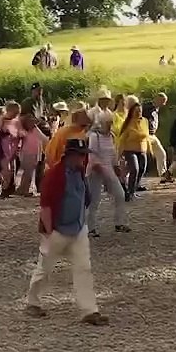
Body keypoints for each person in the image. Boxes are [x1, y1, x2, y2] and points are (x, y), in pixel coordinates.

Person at [25, 138, 107, 326]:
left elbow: (85, 198)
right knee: (45, 268)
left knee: (83, 269)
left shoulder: (80, 172)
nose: (83, 158)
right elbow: (46, 205)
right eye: (80, 155)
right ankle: (33, 302)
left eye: (84, 155)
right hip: (57, 230)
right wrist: (48, 231)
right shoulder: (55, 175)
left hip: (78, 228)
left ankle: (89, 310)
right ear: (70, 155)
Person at [86, 109, 130, 237]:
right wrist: (101, 169)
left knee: (120, 194)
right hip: (95, 170)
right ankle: (90, 228)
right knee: (94, 199)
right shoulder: (94, 136)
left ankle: (119, 223)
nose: (110, 125)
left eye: (111, 122)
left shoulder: (111, 136)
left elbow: (113, 153)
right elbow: (92, 155)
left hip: (109, 169)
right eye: (108, 122)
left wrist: (116, 166)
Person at [116, 97, 150, 202]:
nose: (139, 113)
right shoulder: (128, 123)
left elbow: (147, 136)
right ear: (132, 112)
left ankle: (133, 190)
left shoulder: (145, 121)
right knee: (135, 169)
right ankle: (129, 193)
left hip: (142, 149)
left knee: (142, 169)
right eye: (136, 111)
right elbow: (122, 139)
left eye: (140, 111)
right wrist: (119, 153)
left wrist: (149, 149)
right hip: (129, 150)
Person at [143, 93, 169, 186]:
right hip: (145, 134)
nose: (164, 104)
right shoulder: (147, 107)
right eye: (162, 101)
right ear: (157, 99)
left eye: (164, 102)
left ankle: (163, 175)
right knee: (142, 155)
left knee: (161, 153)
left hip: (152, 135)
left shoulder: (156, 109)